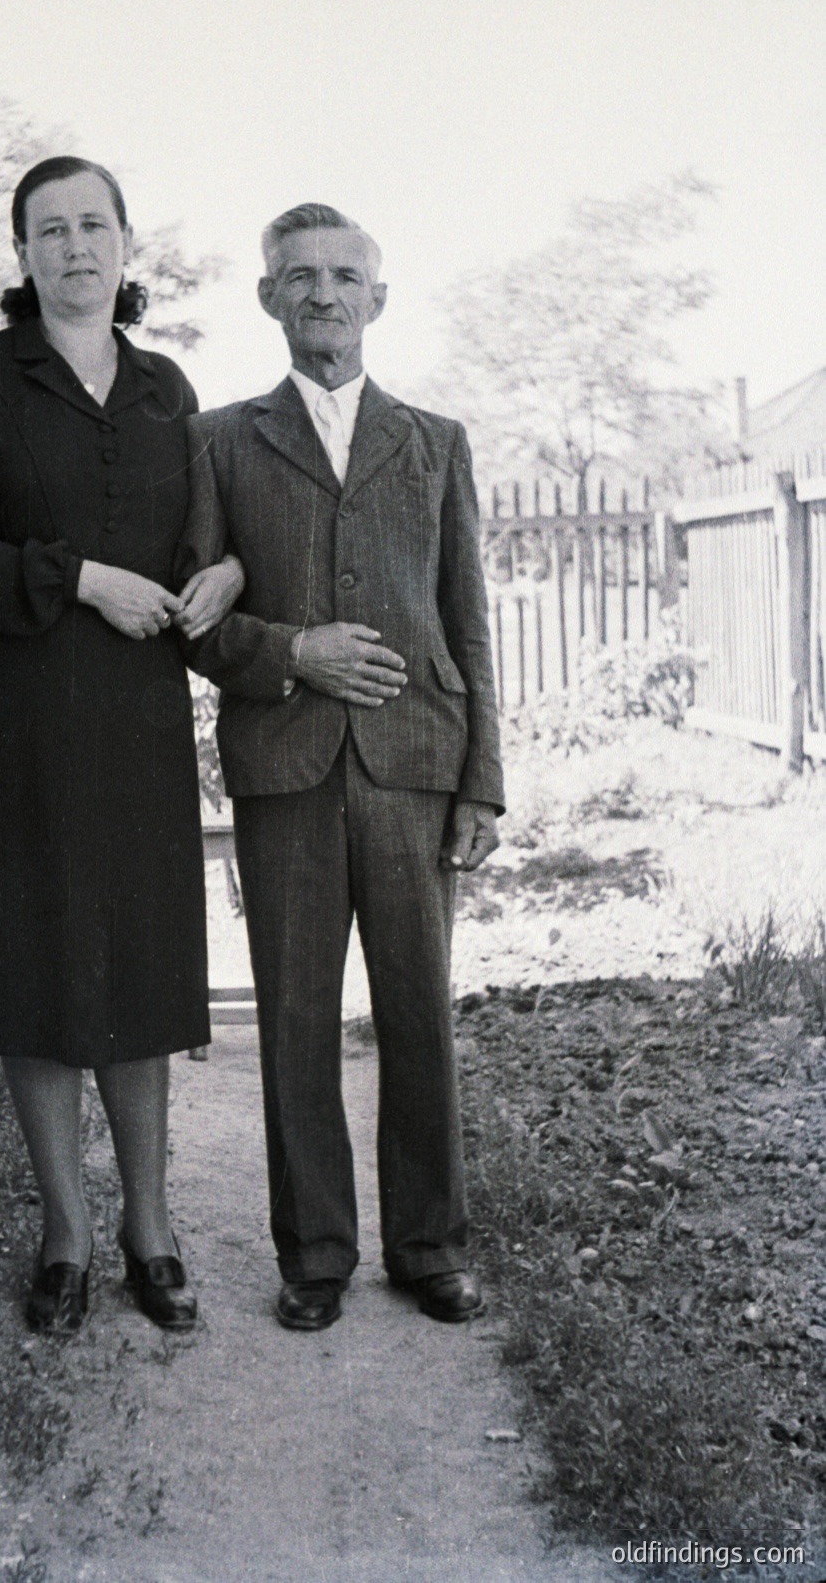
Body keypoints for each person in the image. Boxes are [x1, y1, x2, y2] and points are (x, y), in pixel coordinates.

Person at [0, 156, 243, 1333]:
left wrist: (223, 573)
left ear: (126, 242)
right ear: (24, 256)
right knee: (37, 972)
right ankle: (66, 1235)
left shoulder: (166, 390)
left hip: (137, 718)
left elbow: (210, 534)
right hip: (11, 717)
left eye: (94, 223)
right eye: (50, 230)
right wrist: (80, 578)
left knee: (137, 967)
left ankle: (151, 1229)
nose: (75, 247)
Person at [182, 203, 505, 1332]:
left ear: (378, 296)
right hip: (288, 770)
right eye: (299, 277)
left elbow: (469, 625)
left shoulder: (437, 443)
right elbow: (195, 624)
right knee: (296, 1017)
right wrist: (293, 652)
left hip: (417, 767)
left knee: (419, 1012)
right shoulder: (220, 441)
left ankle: (430, 1247)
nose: (323, 294)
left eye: (343, 276)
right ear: (269, 298)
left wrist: (484, 784)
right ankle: (315, 1252)